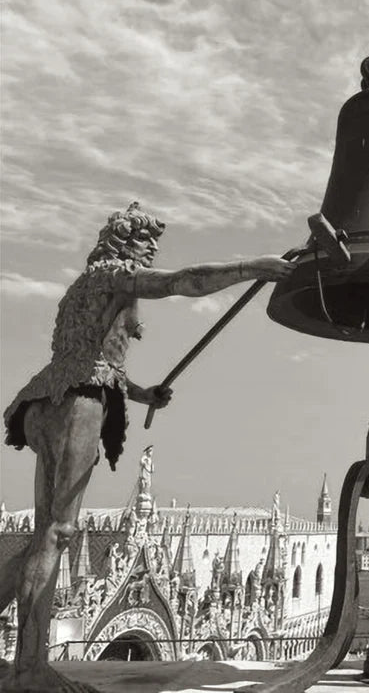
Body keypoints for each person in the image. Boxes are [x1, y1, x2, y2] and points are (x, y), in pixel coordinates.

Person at [0, 202, 294, 692]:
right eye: (144, 244)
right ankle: (30, 669)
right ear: (124, 243)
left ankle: (24, 661)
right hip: (75, 403)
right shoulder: (115, 275)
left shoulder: (84, 289)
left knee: (44, 536)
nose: (149, 253)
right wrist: (252, 268)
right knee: (58, 533)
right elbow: (183, 282)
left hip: (47, 398)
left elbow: (98, 360)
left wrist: (142, 394)